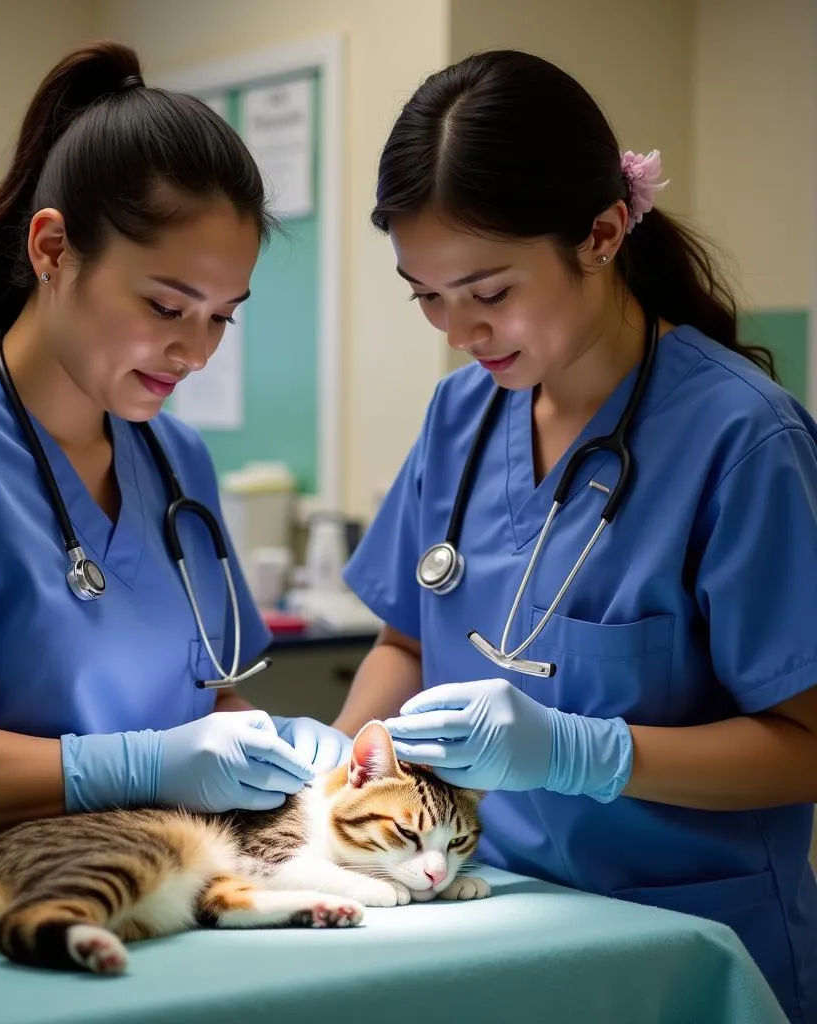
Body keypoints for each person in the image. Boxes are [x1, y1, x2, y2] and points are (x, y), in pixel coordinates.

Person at [0, 40, 349, 933]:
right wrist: (145, 763)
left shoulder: (177, 465)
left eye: (221, 317)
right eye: (168, 307)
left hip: (122, 910)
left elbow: (207, 701)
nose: (197, 351)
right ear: (53, 249)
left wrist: (275, 746)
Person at [333, 50, 817, 1023]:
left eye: (489, 291)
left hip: (688, 953)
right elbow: (405, 638)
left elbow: (803, 743)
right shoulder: (458, 419)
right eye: (425, 295)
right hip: (494, 922)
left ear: (600, 234)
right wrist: (340, 765)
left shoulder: (742, 441)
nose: (458, 330)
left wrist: (583, 752)